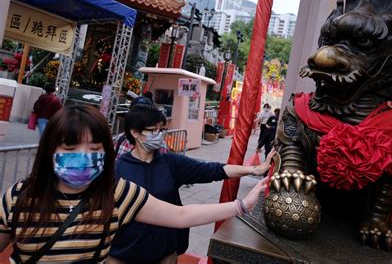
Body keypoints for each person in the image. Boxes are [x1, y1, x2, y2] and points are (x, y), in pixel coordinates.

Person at [0, 105, 267, 263]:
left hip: (161, 253)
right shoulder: (19, 197)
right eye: (70, 148)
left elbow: (181, 213)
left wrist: (242, 205)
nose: (83, 157)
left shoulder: (116, 192)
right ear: (50, 151)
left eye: (94, 148)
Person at [109, 104, 273, 263]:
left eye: (161, 129)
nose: (158, 135)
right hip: (124, 255)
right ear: (135, 132)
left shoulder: (170, 163)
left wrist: (253, 170)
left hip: (164, 255)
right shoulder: (117, 169)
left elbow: (213, 170)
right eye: (153, 130)